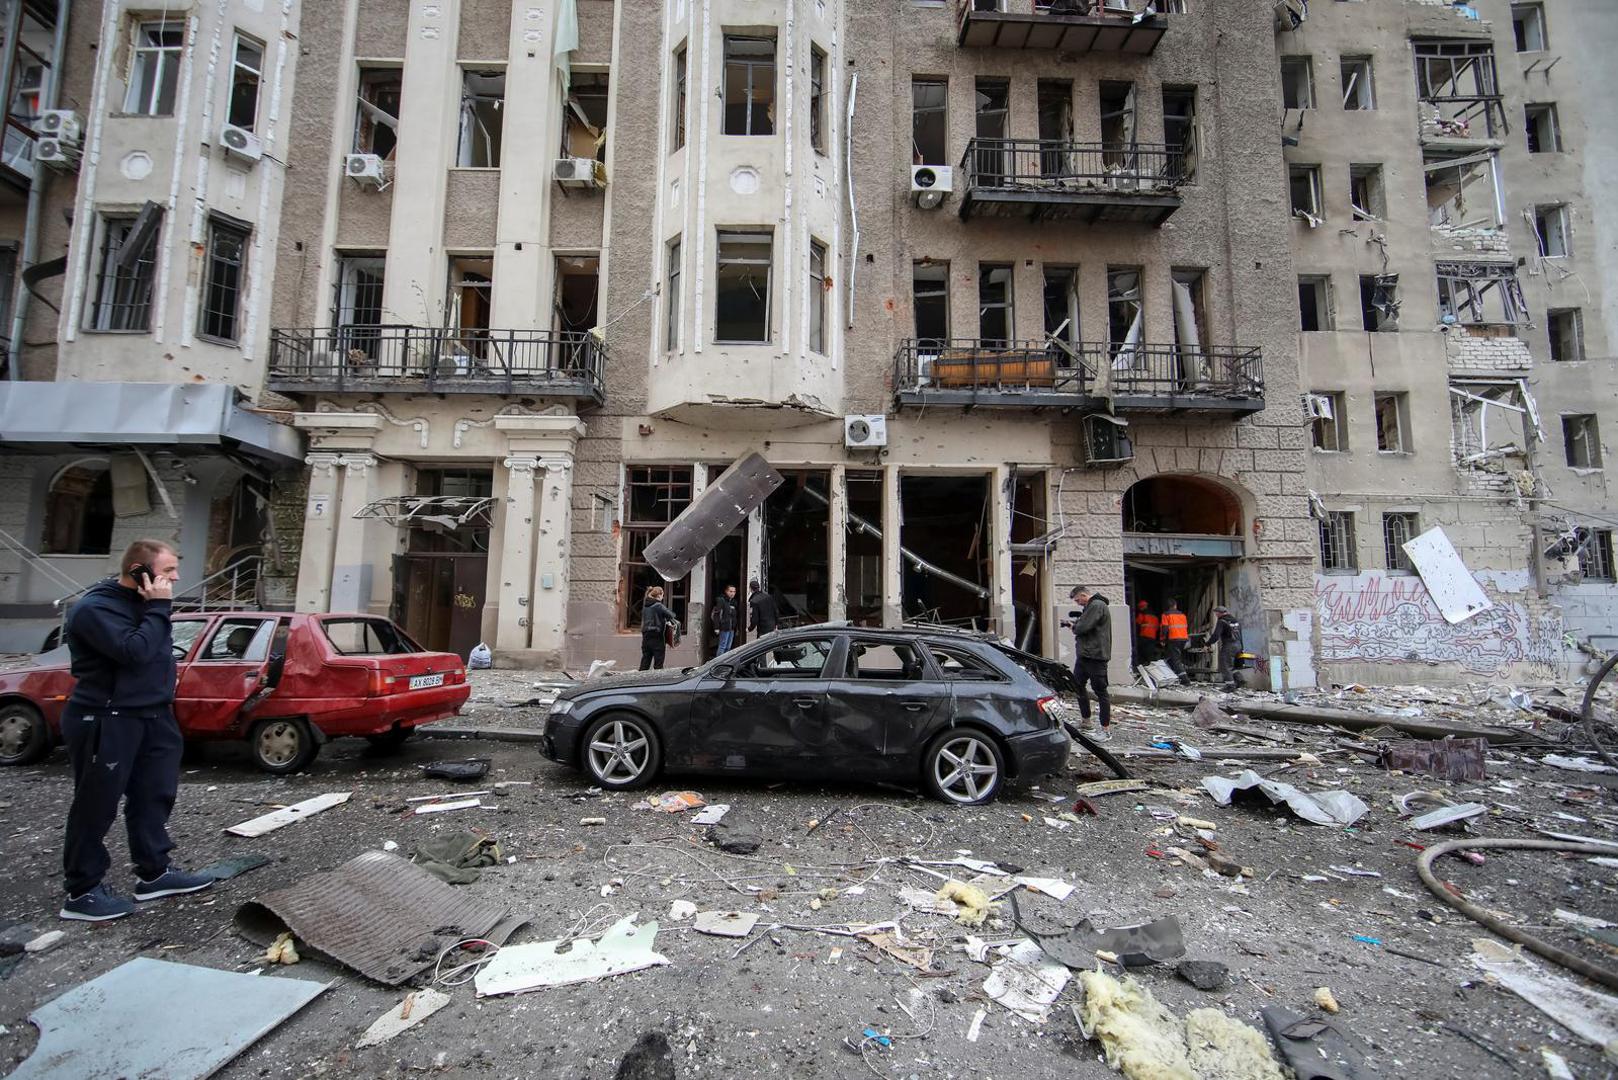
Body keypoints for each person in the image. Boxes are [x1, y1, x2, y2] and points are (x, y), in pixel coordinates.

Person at [60, 539, 212, 922]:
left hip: (153, 715)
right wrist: (159, 607)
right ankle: (82, 891)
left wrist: (156, 608)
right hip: (108, 717)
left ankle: (154, 872)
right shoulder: (94, 609)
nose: (175, 579)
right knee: (97, 803)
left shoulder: (145, 606)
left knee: (154, 794)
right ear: (138, 572)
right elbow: (134, 652)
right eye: (167, 571)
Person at [1063, 586, 1113, 742]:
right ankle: (1086, 721)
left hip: (1096, 656)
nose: (1078, 603)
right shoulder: (1090, 607)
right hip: (1085, 655)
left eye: (1078, 600)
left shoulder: (1097, 605)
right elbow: (1085, 626)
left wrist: (1074, 627)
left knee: (1101, 692)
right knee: (1077, 686)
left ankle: (1105, 730)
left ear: (1084, 595)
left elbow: (1083, 627)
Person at [639, 586, 678, 671]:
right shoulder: (658, 605)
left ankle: (640, 680)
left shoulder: (645, 605)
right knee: (658, 663)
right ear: (659, 595)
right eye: (662, 595)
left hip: (646, 636)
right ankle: (658, 681)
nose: (662, 597)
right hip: (656, 636)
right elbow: (671, 615)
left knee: (645, 661)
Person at [1207, 605, 1242, 690]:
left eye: (1216, 614)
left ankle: (1230, 686)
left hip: (1229, 645)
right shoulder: (1235, 620)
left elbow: (1216, 635)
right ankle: (1240, 680)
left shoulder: (1222, 621)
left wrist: (1207, 644)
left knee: (1225, 665)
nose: (1216, 615)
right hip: (1238, 645)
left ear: (1219, 613)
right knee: (1231, 665)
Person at [1159, 598, 1190, 679]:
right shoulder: (1182, 615)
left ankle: (1185, 679)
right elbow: (1186, 626)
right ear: (1175, 605)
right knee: (1174, 657)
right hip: (1183, 638)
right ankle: (1175, 674)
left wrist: (1162, 639)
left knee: (1176, 659)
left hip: (1173, 639)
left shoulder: (1165, 615)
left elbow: (1164, 628)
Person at [711, 584, 739, 655]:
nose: (732, 593)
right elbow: (716, 614)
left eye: (734, 591)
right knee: (722, 646)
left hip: (732, 628)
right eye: (731, 591)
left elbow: (736, 616)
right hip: (724, 627)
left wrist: (736, 628)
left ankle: (725, 664)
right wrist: (716, 627)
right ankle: (718, 663)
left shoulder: (734, 602)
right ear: (726, 591)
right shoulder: (721, 600)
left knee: (728, 647)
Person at [1133, 600, 1159, 667]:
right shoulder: (1154, 615)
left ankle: (1143, 665)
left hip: (1144, 635)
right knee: (1150, 652)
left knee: (1142, 652)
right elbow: (1157, 627)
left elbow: (1137, 624)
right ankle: (1150, 665)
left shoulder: (1142, 614)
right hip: (1152, 636)